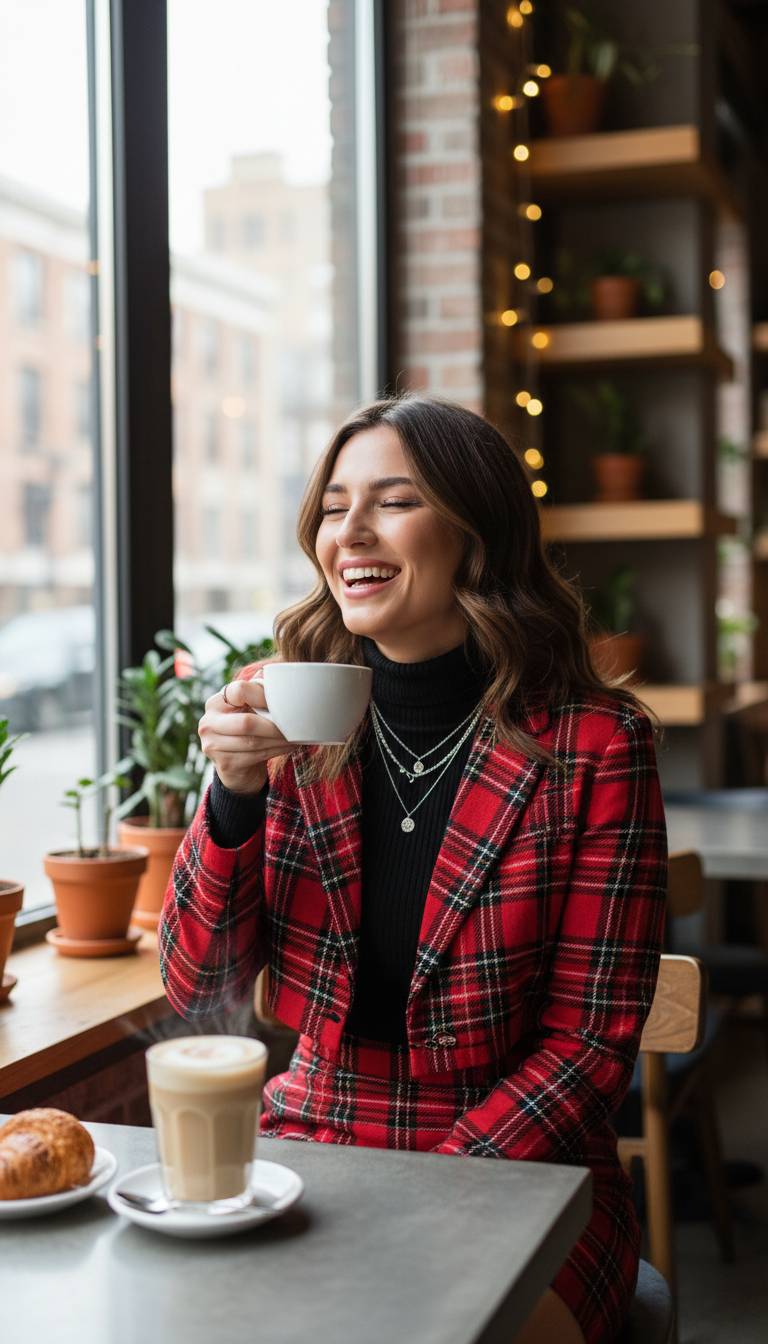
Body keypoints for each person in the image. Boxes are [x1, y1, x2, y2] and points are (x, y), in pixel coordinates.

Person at [160, 395, 667, 1344]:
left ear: (476, 532)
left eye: (393, 502)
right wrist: (232, 794)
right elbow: (199, 986)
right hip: (310, 1141)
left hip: (525, 1162)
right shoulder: (287, 719)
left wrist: (434, 1185)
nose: (348, 531)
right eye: (333, 505)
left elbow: (590, 1047)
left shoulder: (598, 744)